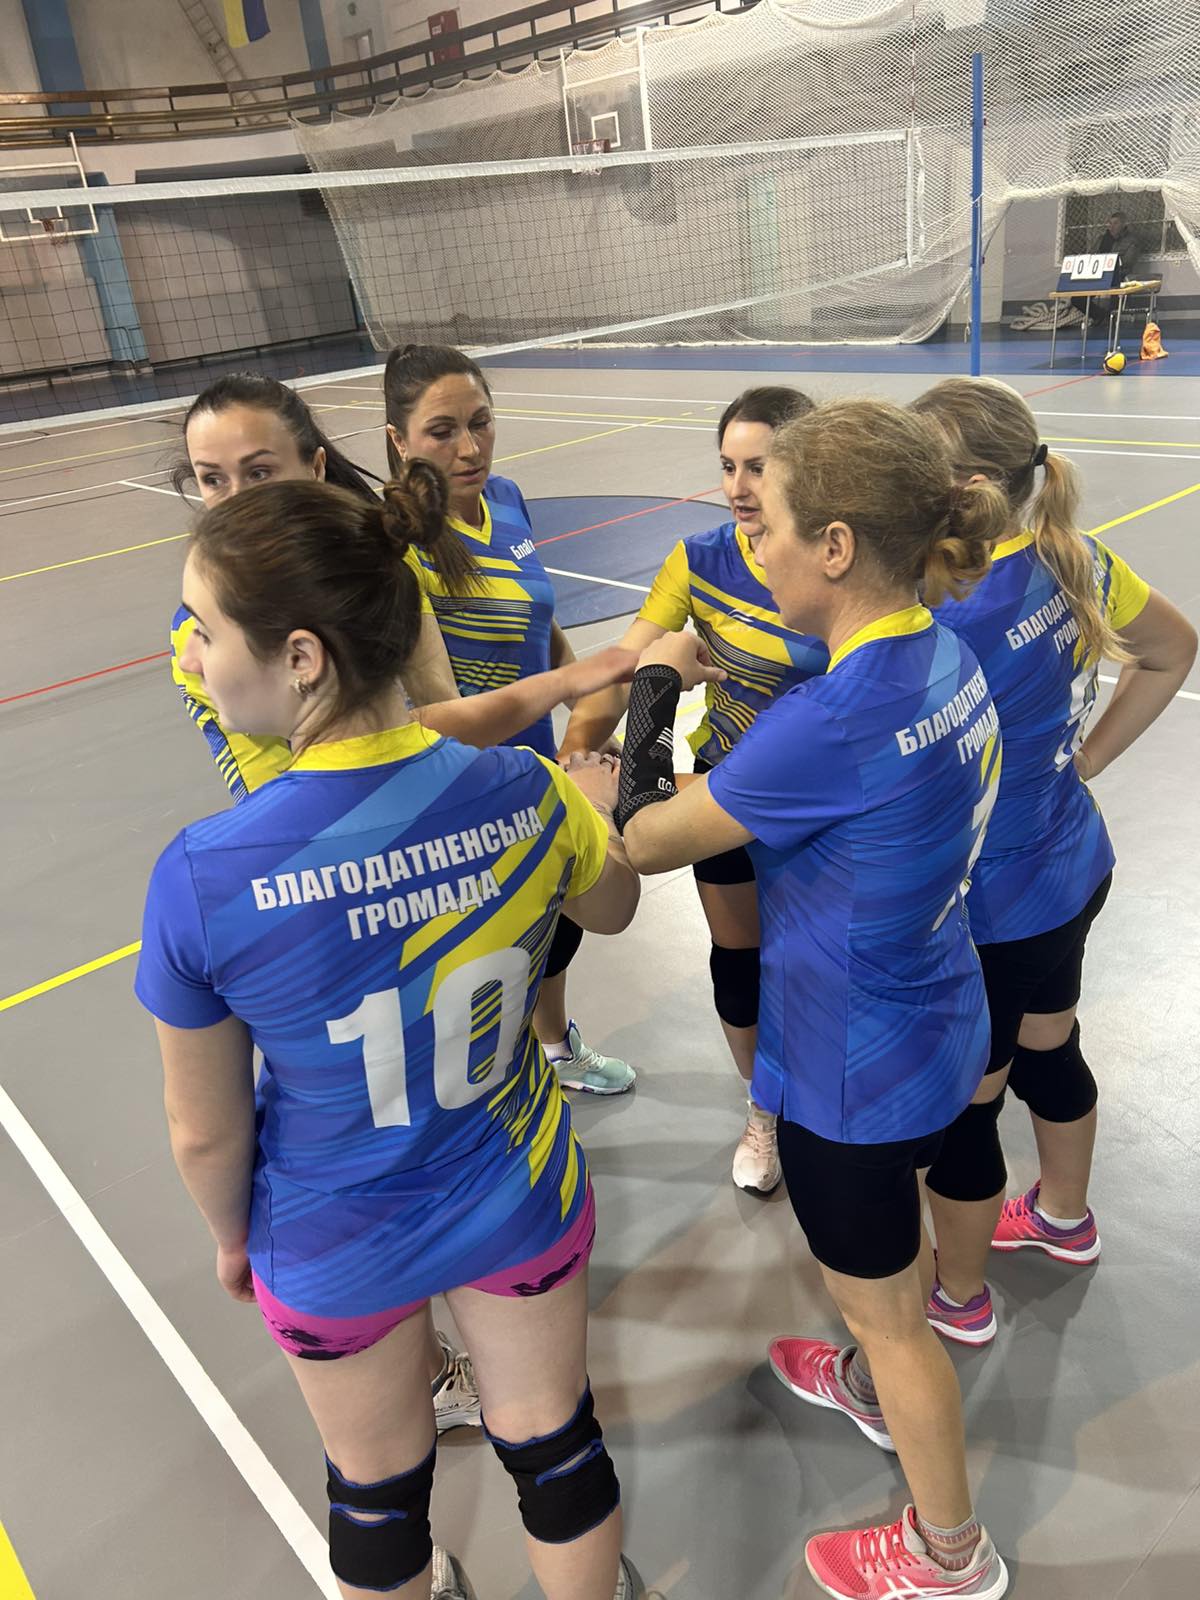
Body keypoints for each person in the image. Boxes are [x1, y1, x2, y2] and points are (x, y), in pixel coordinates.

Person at [135, 467, 644, 1600]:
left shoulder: (206, 877)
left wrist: (231, 1237)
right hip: (515, 1186)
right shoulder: (524, 788)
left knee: (376, 1494)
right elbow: (612, 908)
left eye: (203, 630)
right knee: (556, 1444)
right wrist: (593, 813)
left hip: (333, 1234)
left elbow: (203, 1130)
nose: (192, 660)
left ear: (302, 656)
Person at [611, 399, 1011, 1599]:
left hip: (853, 1067)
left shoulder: (828, 721)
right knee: (888, 1269)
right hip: (940, 1014)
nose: (755, 544)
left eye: (770, 523)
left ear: (835, 546)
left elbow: (642, 840)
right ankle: (868, 1381)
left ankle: (950, 1553)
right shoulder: (946, 651)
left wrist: (651, 689)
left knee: (891, 1314)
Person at [910, 378, 1197, 1346]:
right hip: (1070, 867)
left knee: (969, 1108)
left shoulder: (945, 612)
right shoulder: (1074, 558)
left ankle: (958, 1297)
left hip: (991, 905)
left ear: (968, 488)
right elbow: (1174, 649)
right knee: (1050, 1046)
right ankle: (1065, 1218)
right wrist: (1089, 760)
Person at [559, 387, 827, 1193]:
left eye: (759, 467)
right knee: (739, 962)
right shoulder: (699, 560)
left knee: (815, 966)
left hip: (820, 808)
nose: (738, 487)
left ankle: (823, 1101)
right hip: (722, 793)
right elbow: (628, 664)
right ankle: (762, 1108)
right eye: (727, 467)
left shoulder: (833, 560)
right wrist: (578, 749)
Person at [383, 343, 636, 1096]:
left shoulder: (509, 498)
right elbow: (433, 711)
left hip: (538, 764)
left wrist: (587, 706)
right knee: (500, 950)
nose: (469, 449)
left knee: (558, 926)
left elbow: (539, 621)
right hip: (465, 786)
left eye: (481, 423)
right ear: (398, 440)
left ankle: (556, 1047)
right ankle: (506, 1081)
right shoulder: (401, 550)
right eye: (442, 431)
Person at [1067, 209, 1143, 323]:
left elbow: (1129, 261)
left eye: (1116, 223)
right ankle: (1102, 315)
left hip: (1118, 274)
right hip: (1098, 274)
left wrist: (1110, 263)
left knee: (1117, 286)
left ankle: (1113, 318)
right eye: (1110, 223)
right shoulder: (1102, 239)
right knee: (1077, 299)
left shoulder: (1132, 241)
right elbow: (1090, 255)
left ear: (1123, 224)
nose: (1112, 226)